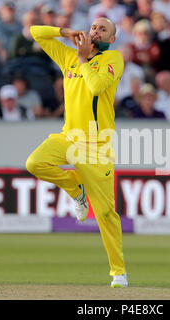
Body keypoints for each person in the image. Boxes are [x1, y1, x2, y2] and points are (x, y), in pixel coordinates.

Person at [26, 18, 128, 288]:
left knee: (106, 214)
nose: (96, 31)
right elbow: (35, 32)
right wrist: (65, 32)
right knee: (35, 163)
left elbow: (96, 87)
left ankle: (118, 271)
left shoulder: (114, 58)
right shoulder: (69, 56)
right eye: (94, 27)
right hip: (69, 138)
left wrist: (83, 59)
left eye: (103, 29)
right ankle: (76, 190)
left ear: (112, 39)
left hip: (97, 147)